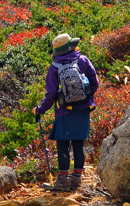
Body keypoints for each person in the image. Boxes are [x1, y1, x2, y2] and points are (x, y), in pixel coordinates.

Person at [34, 33, 99, 192]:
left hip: (64, 111)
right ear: (71, 46)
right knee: (78, 144)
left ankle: (63, 181)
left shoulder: (54, 67)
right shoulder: (83, 60)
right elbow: (95, 82)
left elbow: (50, 95)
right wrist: (85, 97)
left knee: (63, 144)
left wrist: (40, 110)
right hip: (83, 109)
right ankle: (76, 180)